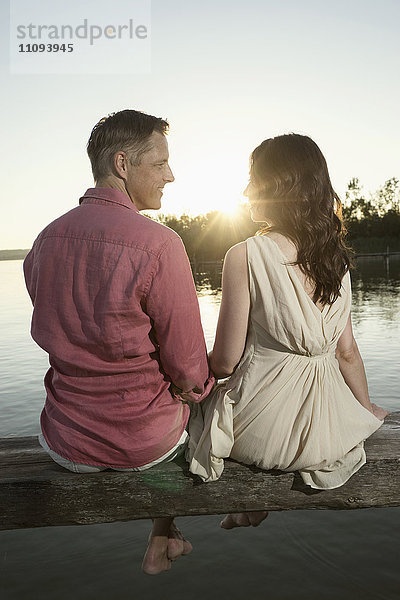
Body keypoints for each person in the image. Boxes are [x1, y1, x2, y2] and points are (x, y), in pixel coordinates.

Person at [23, 109, 214, 574]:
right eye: (161, 163)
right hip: (143, 447)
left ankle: (163, 537)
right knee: (206, 400)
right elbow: (189, 370)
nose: (171, 174)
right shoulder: (161, 244)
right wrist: (206, 390)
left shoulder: (44, 240)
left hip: (63, 443)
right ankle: (166, 532)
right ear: (124, 165)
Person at [187, 133, 389, 529]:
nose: (245, 191)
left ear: (279, 186)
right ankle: (249, 507)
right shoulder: (337, 261)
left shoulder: (245, 254)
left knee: (194, 412)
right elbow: (346, 353)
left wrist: (183, 369)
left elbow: (225, 361)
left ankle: (234, 509)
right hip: (327, 430)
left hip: (263, 430)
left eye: (252, 179)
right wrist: (362, 412)